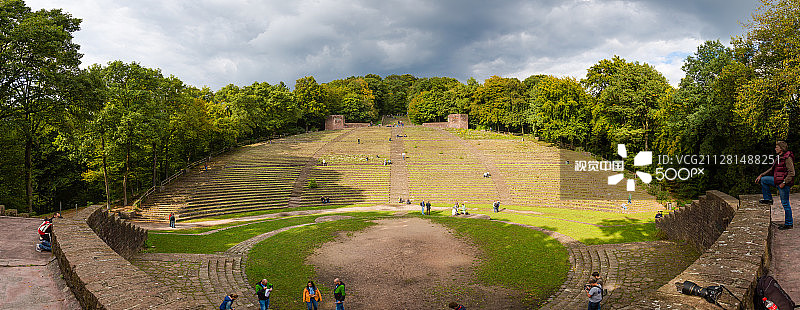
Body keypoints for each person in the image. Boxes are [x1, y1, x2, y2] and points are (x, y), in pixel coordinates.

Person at [756, 140, 795, 230]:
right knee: (764, 180)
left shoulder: (787, 158)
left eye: (777, 147)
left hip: (783, 184)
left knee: (785, 203)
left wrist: (784, 183)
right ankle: (768, 199)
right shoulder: (779, 157)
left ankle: (789, 223)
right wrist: (762, 174)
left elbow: (792, 173)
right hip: (777, 181)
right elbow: (772, 169)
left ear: (781, 149)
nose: (775, 148)